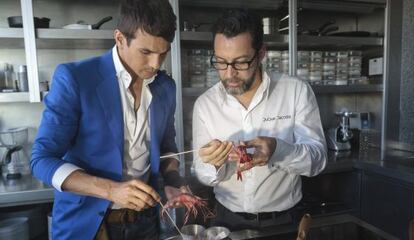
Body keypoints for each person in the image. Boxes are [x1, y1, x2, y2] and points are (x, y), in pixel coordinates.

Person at [31, 0, 186, 239]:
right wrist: (111, 190)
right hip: (87, 226)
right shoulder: (76, 79)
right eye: (146, 52)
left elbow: (167, 146)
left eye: (163, 53)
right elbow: (41, 160)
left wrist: (173, 180)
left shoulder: (166, 87)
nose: (155, 64)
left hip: (145, 224)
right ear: (120, 39)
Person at [192, 9, 327, 231]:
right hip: (226, 220)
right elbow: (203, 172)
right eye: (221, 62)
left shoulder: (295, 91)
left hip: (284, 221)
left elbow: (318, 160)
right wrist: (214, 163)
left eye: (241, 62)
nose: (229, 74)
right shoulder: (206, 105)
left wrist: (279, 149)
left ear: (261, 53)